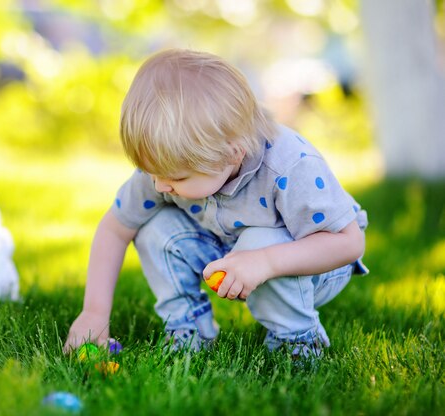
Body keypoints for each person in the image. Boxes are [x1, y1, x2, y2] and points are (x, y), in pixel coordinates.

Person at [64, 49, 368, 358]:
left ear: (232, 154)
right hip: (226, 247)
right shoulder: (168, 165)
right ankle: (188, 328)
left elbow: (348, 243)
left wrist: (265, 261)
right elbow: (115, 230)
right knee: (153, 228)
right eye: (151, 172)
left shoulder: (290, 166)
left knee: (259, 240)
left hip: (315, 261)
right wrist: (94, 312)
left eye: (176, 178)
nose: (159, 185)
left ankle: (297, 340)